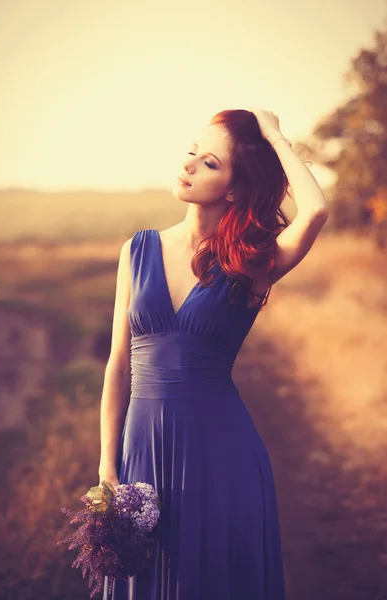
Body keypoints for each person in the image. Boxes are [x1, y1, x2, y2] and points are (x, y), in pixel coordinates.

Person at [98, 108, 329, 599]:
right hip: (142, 448)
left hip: (222, 455)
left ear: (234, 188)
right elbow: (119, 365)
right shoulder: (137, 250)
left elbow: (315, 212)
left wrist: (272, 135)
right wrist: (106, 463)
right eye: (190, 154)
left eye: (209, 163)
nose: (188, 166)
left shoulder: (254, 262)